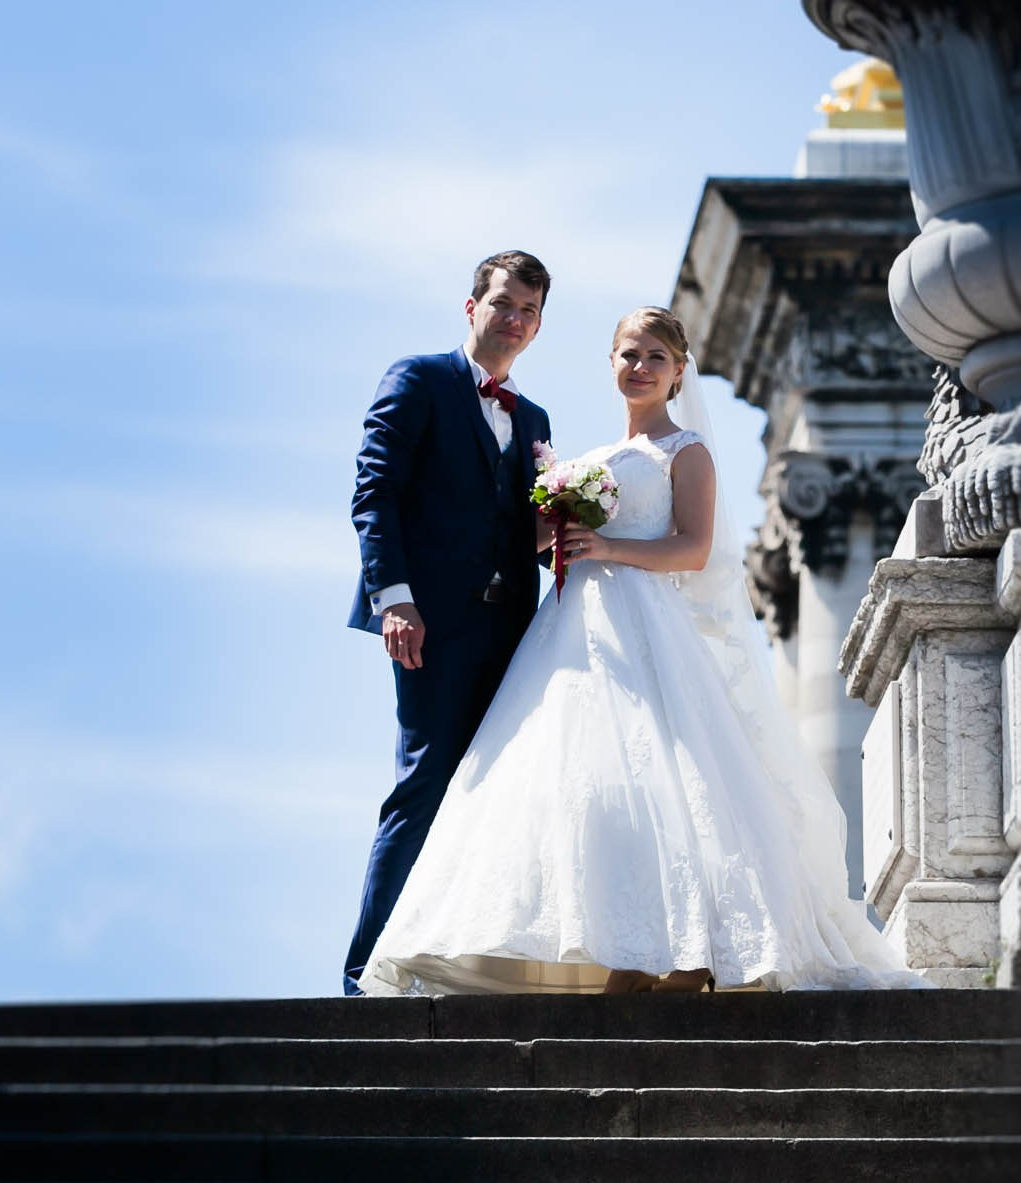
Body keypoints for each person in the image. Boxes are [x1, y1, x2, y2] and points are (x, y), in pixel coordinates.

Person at [356, 307, 924, 995]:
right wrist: (540, 513)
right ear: (611, 363)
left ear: (679, 369)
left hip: (650, 628)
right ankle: (620, 945)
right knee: (592, 788)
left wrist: (609, 547)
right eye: (628, 354)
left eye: (656, 356)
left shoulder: (687, 451)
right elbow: (526, 540)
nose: (641, 367)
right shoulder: (585, 463)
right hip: (574, 633)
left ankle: (688, 951)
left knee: (672, 781)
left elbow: (693, 546)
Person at [339, 251, 555, 997]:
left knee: (496, 795)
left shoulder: (534, 418)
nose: (514, 320)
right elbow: (375, 489)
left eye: (528, 311)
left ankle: (449, 967)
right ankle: (366, 972)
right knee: (425, 783)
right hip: (427, 624)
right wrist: (393, 596)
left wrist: (574, 527)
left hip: (513, 634)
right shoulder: (419, 377)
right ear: (472, 307)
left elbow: (520, 531)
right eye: (503, 304)